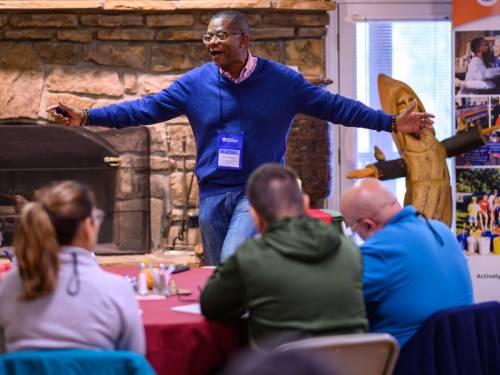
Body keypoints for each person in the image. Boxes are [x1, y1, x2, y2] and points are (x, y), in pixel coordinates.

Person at [47, 10, 434, 265]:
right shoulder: (194, 84)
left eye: (221, 35)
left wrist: (392, 122)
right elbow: (142, 109)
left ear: (245, 40)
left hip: (258, 192)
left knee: (233, 261)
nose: (212, 42)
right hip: (214, 192)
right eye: (208, 36)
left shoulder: (284, 81)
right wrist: (87, 116)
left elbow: (337, 107)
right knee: (218, 272)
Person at [200, 163, 368, 349]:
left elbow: (210, 305)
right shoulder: (349, 251)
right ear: (305, 203)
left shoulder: (251, 258)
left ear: (254, 215)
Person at [0, 181, 145, 354]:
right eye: (96, 218)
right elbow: (133, 359)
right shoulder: (117, 290)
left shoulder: (8, 287)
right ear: (87, 227)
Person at [340, 178, 473, 348]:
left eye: (353, 231)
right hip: (464, 357)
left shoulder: (379, 250)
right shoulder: (442, 230)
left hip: (410, 362)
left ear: (368, 225)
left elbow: (334, 302)